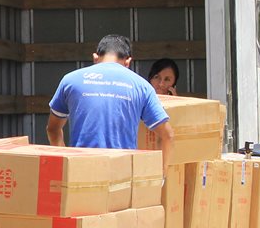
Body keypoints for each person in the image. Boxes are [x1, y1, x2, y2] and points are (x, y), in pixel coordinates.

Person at [47, 34, 175, 165]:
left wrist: (64, 165)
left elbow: (53, 129)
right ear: (127, 62)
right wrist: (162, 176)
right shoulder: (141, 86)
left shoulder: (70, 80)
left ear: (95, 58)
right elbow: (168, 135)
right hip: (122, 174)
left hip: (81, 171)